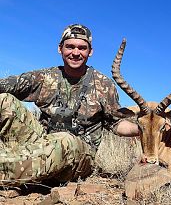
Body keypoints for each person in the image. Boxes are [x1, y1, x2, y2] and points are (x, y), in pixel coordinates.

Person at [0, 24, 139, 186]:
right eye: (70, 47)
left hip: (80, 156)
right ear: (60, 49)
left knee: (65, 140)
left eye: (82, 48)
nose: (75, 53)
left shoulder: (104, 84)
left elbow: (116, 122)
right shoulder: (45, 77)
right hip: (43, 142)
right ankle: (19, 162)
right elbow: (8, 85)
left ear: (90, 52)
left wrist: (142, 129)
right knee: (3, 101)